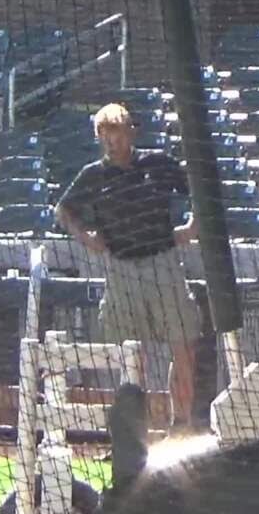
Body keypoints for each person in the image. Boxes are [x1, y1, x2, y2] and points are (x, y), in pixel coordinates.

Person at [54, 103, 201, 431]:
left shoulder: (158, 164)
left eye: (116, 131)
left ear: (130, 132)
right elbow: (63, 210)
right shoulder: (93, 175)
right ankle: (135, 432)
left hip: (163, 263)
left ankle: (181, 424)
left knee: (183, 344)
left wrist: (192, 227)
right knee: (130, 354)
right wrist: (87, 238)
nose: (111, 140)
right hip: (121, 268)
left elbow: (199, 190)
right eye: (104, 134)